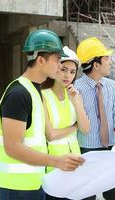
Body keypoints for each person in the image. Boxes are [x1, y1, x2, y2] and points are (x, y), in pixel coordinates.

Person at [0, 29, 84, 200]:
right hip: (17, 187)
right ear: (40, 60)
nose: (60, 65)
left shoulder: (33, 90)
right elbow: (12, 147)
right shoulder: (18, 94)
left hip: (32, 182)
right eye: (56, 59)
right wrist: (57, 161)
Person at [75, 37, 115, 200]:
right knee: (86, 196)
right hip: (86, 151)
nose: (110, 62)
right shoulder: (76, 89)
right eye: (106, 58)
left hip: (110, 148)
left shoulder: (111, 86)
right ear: (96, 65)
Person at [41, 46, 90, 200]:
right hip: (53, 164)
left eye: (72, 71)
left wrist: (76, 101)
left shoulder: (76, 95)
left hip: (75, 162)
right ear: (55, 68)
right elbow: (50, 135)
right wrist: (74, 127)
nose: (67, 75)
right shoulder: (43, 96)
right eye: (63, 69)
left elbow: (86, 129)